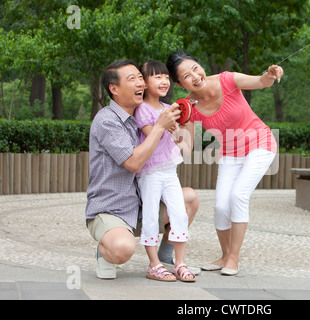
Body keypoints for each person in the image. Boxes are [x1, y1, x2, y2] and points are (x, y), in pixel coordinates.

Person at [166, 51, 283, 276]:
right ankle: (224, 254)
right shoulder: (188, 106)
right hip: (230, 151)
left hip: (261, 143)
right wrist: (172, 130)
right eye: (186, 76)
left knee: (238, 195)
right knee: (220, 205)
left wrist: (270, 73)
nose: (195, 76)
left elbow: (261, 82)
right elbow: (187, 145)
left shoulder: (227, 80)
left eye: (195, 68)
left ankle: (234, 258)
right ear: (180, 84)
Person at [85, 59, 199, 279]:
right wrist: (160, 126)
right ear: (114, 89)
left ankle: (166, 257)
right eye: (132, 79)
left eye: (140, 77)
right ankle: (105, 251)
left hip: (142, 204)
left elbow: (184, 148)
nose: (140, 83)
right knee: (122, 249)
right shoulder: (107, 121)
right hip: (112, 210)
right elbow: (134, 163)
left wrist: (188, 119)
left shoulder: (144, 113)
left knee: (189, 199)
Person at [134, 60, 195, 282]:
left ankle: (179, 263)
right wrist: (167, 124)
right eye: (157, 77)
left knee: (180, 213)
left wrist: (183, 123)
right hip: (149, 173)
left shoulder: (167, 109)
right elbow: (152, 133)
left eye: (166, 77)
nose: (163, 81)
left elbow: (180, 141)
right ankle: (154, 265)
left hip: (170, 171)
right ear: (144, 82)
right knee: (151, 216)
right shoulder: (142, 109)